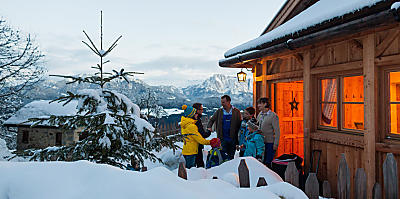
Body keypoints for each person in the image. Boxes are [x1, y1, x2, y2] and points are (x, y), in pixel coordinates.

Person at [207, 95, 241, 160]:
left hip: (232, 139)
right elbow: (212, 120)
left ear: (229, 102)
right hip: (222, 139)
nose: (222, 104)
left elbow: (239, 123)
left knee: (231, 156)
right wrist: (209, 127)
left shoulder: (236, 112)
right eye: (221, 102)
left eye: (223, 102)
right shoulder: (219, 111)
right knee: (222, 156)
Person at [180, 105, 215, 169]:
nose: (197, 115)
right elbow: (200, 140)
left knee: (189, 169)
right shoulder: (191, 126)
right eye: (195, 114)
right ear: (192, 115)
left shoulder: (185, 123)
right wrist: (211, 142)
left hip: (187, 150)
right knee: (191, 171)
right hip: (191, 152)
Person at [257, 97, 280, 167]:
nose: (258, 105)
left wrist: (276, 144)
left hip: (270, 143)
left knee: (268, 162)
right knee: (261, 162)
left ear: (265, 104)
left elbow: (277, 131)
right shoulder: (260, 114)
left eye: (260, 103)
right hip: (260, 143)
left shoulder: (273, 116)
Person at [192, 103, 211, 168]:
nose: (202, 110)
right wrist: (209, 131)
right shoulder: (196, 120)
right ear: (197, 110)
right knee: (199, 164)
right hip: (196, 145)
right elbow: (202, 134)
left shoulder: (191, 119)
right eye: (201, 109)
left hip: (192, 145)